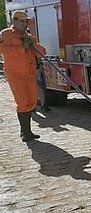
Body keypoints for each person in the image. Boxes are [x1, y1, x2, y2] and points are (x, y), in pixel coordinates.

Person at [0, 11, 47, 142]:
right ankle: (25, 132)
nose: (25, 24)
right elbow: (3, 50)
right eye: (22, 21)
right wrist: (22, 48)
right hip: (16, 75)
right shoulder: (6, 34)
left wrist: (33, 44)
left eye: (26, 21)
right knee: (23, 102)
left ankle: (28, 131)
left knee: (31, 101)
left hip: (29, 73)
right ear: (14, 20)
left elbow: (41, 52)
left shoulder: (29, 36)